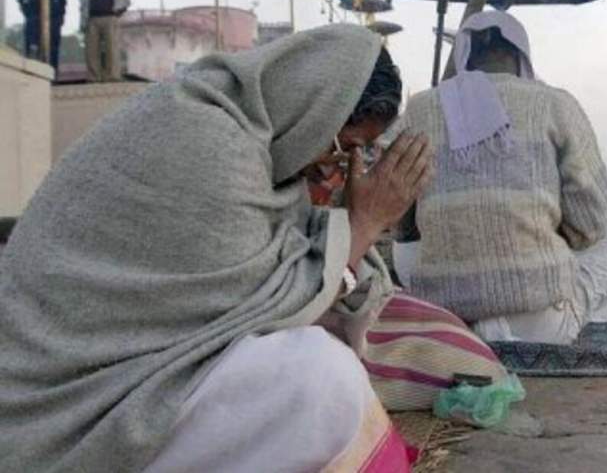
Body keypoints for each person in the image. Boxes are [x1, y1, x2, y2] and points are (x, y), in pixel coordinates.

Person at [0, 25, 431, 472]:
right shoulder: (209, 142)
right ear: (316, 109)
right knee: (322, 378)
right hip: (66, 406)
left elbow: (287, 286)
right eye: (342, 148)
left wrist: (345, 226)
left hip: (121, 374)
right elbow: (269, 310)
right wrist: (366, 223)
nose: (335, 164)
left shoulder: (252, 138)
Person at [393, 10, 607, 345]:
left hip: (447, 317)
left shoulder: (419, 108)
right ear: (521, 56)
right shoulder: (555, 103)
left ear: (464, 56)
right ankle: (578, 321)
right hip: (539, 323)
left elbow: (403, 228)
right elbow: (590, 226)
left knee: (406, 248)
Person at [80, 0, 131, 82]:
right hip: (92, 18)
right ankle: (93, 77)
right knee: (91, 50)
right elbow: (83, 2)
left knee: (112, 48)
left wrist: (117, 13)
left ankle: (113, 76)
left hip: (110, 17)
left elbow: (125, 0)